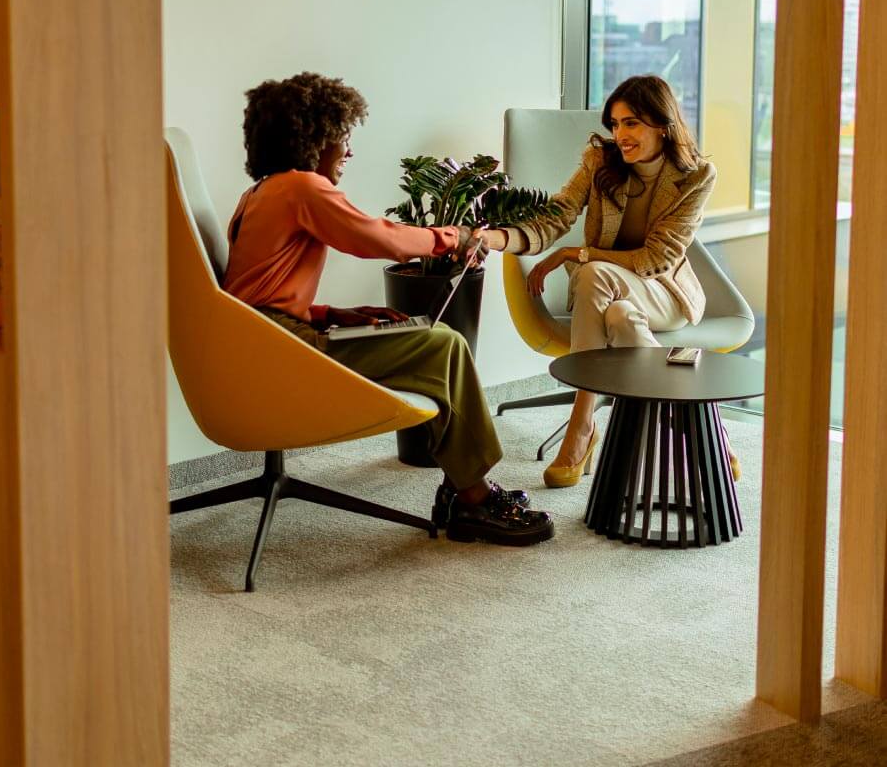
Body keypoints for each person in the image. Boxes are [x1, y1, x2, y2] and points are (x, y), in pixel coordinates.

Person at [222, 71, 554, 546]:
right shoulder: (301, 188)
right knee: (444, 345)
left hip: (268, 340)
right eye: (343, 138)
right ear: (313, 139)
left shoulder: (260, 193)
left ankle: (463, 487)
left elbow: (255, 294)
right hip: (279, 349)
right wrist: (452, 237)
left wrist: (332, 314)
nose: (348, 151)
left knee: (430, 341)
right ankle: (474, 499)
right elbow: (376, 237)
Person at [479, 74, 738, 487]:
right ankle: (702, 428)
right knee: (617, 314)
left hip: (664, 294)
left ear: (662, 123)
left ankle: (581, 424)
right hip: (613, 298)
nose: (620, 135)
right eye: (615, 124)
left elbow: (656, 258)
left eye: (631, 123)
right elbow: (557, 214)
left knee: (593, 272)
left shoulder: (696, 176)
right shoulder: (600, 161)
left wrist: (576, 253)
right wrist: (497, 237)